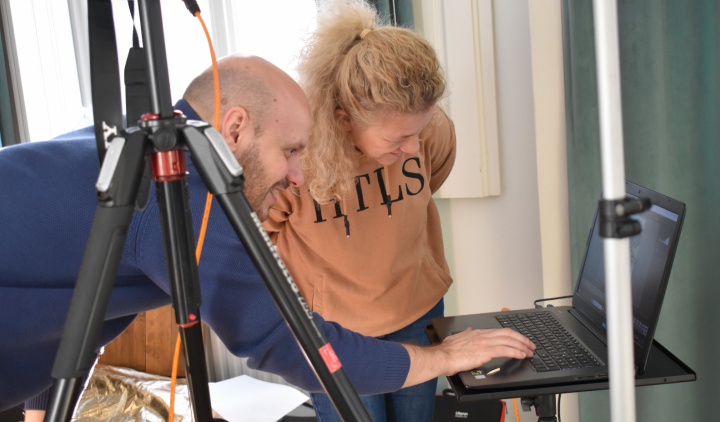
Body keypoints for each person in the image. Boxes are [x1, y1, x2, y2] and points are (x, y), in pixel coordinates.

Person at [0, 54, 535, 419]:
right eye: (291, 151)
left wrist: (43, 410)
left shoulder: (136, 142)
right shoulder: (177, 196)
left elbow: (77, 305)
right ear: (234, 128)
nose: (299, 177)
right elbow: (287, 343)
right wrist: (443, 359)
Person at [262, 1, 470, 420]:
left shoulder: (426, 130)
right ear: (344, 120)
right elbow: (260, 237)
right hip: (334, 331)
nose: (413, 147)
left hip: (417, 310)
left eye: (419, 132)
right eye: (398, 139)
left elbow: (433, 177)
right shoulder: (295, 158)